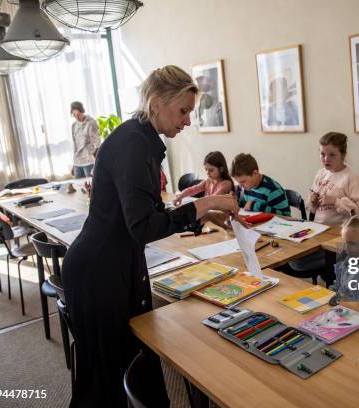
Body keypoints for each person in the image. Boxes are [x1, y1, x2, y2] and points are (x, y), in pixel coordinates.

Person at [62, 66, 241, 407]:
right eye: (183, 110)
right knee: (104, 382)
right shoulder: (133, 145)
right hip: (99, 272)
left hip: (114, 263)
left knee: (132, 366)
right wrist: (206, 202)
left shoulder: (139, 139)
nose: (188, 121)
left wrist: (204, 212)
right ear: (157, 103)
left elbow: (151, 212)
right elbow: (144, 227)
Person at [288, 132, 359, 281]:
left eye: (332, 155)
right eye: (322, 154)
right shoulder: (321, 174)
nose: (326, 159)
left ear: (343, 154)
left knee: (298, 263)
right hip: (317, 232)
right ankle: (333, 268)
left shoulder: (351, 179)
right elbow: (311, 208)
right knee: (291, 256)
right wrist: (311, 201)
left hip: (337, 236)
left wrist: (336, 201)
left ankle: (343, 262)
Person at [70, 101, 100, 178]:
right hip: (77, 162)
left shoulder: (91, 123)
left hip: (88, 161)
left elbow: (97, 141)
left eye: (78, 115)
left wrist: (95, 159)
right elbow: (75, 145)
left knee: (90, 185)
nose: (76, 117)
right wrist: (73, 164)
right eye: (74, 115)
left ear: (82, 111)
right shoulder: (74, 126)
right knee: (78, 186)